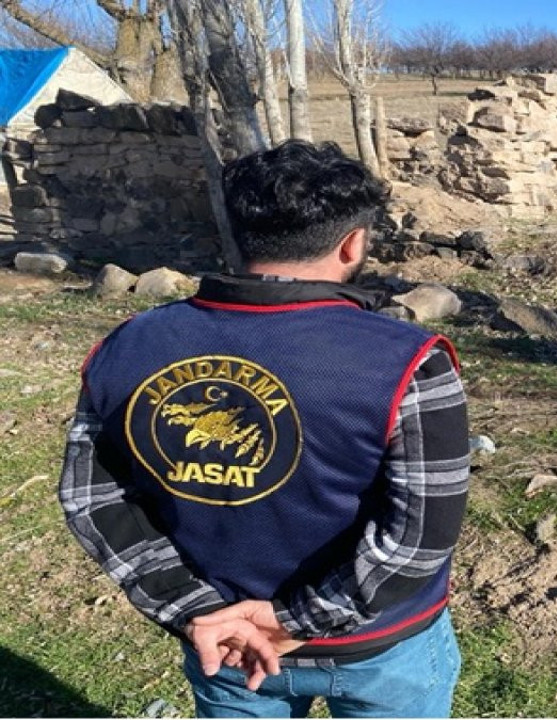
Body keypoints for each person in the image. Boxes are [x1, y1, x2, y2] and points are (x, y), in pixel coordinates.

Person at [59, 140, 470, 718]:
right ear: (352, 243)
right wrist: (291, 622)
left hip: (222, 641)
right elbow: (420, 539)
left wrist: (192, 608)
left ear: (238, 237)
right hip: (380, 647)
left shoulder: (128, 346)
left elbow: (91, 498)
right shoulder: (409, 361)